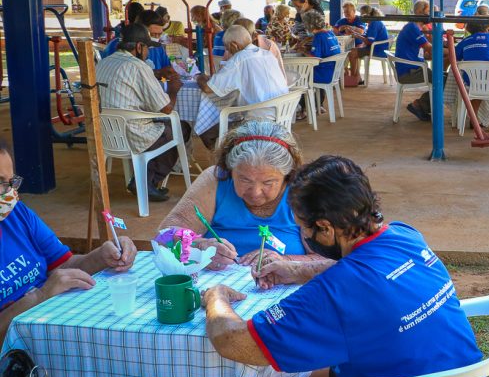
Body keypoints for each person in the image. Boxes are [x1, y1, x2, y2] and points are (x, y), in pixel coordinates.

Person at [201, 155, 485, 377]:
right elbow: (363, 273)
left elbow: (235, 342)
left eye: (303, 229)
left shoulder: (337, 291)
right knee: (316, 376)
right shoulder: (404, 236)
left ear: (324, 227)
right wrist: (296, 270)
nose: (305, 237)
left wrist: (216, 298)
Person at [0, 138, 137, 342]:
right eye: (0, 183)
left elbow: (61, 265)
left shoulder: (17, 215)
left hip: (52, 329)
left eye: (11, 182)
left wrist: (101, 257)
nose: (10, 194)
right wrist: (41, 296)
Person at [159, 121, 316, 269]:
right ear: (230, 170)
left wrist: (286, 261)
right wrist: (198, 247)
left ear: (288, 175)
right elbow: (163, 237)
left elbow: (329, 260)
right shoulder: (214, 180)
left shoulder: (302, 191)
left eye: (268, 182)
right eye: (244, 179)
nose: (255, 192)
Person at [95, 23, 192, 202]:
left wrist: (155, 74)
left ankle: (142, 181)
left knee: (168, 127)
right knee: (180, 127)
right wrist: (173, 89)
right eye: (147, 47)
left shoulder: (104, 62)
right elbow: (166, 108)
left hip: (107, 134)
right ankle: (148, 182)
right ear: (139, 47)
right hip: (133, 134)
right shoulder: (139, 66)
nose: (147, 52)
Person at [193, 26, 290, 149]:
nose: (227, 51)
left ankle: (229, 162)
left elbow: (208, 88)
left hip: (259, 119)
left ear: (234, 45)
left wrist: (198, 77)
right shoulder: (267, 54)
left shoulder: (239, 59)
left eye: (227, 47)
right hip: (283, 112)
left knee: (207, 132)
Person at [394, 0, 439, 121]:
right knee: (444, 81)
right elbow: (430, 48)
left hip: (414, 68)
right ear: (419, 12)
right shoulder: (412, 28)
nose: (431, 16)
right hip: (409, 72)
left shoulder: (416, 28)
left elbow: (425, 52)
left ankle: (422, 105)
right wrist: (452, 51)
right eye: (428, 12)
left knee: (445, 77)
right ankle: (419, 105)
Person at [455, 17, 489, 118]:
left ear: (468, 28)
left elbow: (456, 57)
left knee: (477, 86)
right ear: (486, 27)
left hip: (470, 82)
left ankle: (474, 119)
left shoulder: (465, 41)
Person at [333, 2, 367, 80]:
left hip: (358, 43)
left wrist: (350, 27)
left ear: (354, 11)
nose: (346, 14)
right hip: (344, 44)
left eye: (348, 12)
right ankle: (344, 72)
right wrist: (339, 30)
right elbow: (334, 30)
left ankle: (354, 76)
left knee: (352, 52)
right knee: (335, 52)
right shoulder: (342, 21)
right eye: (344, 12)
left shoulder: (359, 19)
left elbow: (361, 31)